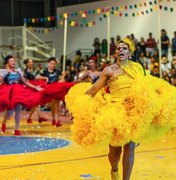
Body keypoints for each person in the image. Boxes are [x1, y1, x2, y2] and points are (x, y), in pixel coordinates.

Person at [65, 38, 176, 180]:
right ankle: (114, 169)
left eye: (124, 48)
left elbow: (146, 86)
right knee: (115, 152)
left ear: (129, 53)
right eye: (119, 48)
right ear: (115, 53)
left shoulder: (138, 68)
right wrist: (79, 105)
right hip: (114, 111)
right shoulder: (109, 70)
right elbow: (94, 89)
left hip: (132, 110)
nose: (121, 50)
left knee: (129, 147)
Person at [0, 55, 43, 135]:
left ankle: (16, 129)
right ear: (7, 63)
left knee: (18, 110)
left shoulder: (18, 71)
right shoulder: (4, 71)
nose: (13, 62)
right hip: (9, 93)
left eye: (14, 61)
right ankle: (4, 122)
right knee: (10, 112)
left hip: (19, 92)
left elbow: (25, 82)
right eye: (11, 61)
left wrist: (35, 87)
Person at [23, 58, 48, 124]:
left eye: (32, 62)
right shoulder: (26, 71)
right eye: (30, 62)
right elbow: (35, 77)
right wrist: (45, 78)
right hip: (31, 87)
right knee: (36, 102)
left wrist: (43, 77)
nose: (32, 63)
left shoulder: (31, 70)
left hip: (35, 86)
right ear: (27, 64)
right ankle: (40, 117)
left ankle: (29, 118)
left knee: (35, 103)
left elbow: (37, 76)